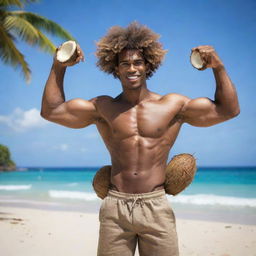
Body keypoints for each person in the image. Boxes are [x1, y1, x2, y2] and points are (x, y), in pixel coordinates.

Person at [41, 22, 240, 256]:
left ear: (148, 66)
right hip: (115, 207)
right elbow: (51, 111)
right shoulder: (103, 107)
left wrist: (218, 67)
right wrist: (59, 65)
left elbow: (228, 110)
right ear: (116, 69)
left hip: (156, 205)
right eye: (124, 63)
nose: (132, 68)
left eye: (137, 62)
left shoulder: (173, 105)